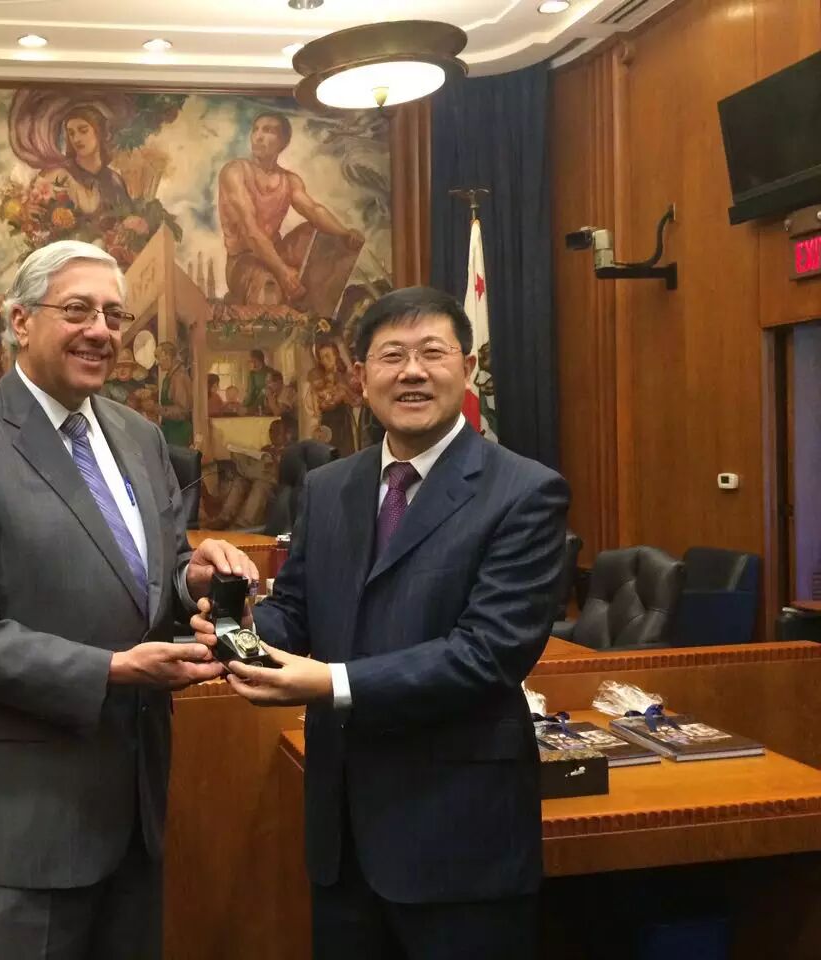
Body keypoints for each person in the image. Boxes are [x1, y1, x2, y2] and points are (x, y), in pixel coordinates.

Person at [0, 239, 258, 960]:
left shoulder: (139, 436)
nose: (101, 330)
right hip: (25, 824)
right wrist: (112, 671)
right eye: (77, 310)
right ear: (20, 321)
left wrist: (191, 575)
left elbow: (146, 576)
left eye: (114, 315)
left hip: (133, 810)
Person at [194, 286, 569, 960]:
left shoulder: (524, 492)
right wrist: (237, 627)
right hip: (342, 839)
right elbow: (297, 610)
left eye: (432, 353)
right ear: (361, 377)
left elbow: (487, 654)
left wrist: (330, 682)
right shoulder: (330, 486)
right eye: (392, 356)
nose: (412, 372)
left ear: (467, 366)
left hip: (458, 842)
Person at [217, 112, 364, 306]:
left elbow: (314, 210)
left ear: (283, 142)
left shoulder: (289, 180)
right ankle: (276, 295)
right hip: (243, 261)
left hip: (276, 251)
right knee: (268, 287)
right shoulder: (235, 172)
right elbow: (251, 232)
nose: (258, 136)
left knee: (320, 233)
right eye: (256, 130)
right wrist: (282, 271)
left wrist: (345, 234)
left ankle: (313, 306)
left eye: (268, 131)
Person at [156, 341, 192, 447]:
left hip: (179, 435)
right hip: (170, 433)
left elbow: (182, 411)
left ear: (167, 356)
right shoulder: (169, 377)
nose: (157, 363)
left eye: (158, 357)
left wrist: (157, 409)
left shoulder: (179, 377)